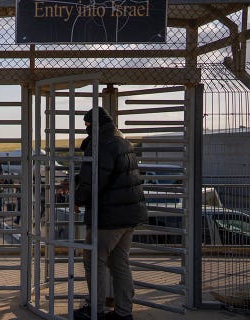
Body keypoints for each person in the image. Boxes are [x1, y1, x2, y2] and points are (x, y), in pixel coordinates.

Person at [73, 107, 148, 320]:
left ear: (93, 125)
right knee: (119, 262)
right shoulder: (123, 141)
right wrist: (77, 182)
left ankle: (95, 310)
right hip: (129, 215)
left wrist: (78, 199)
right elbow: (113, 175)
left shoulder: (101, 145)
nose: (86, 130)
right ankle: (124, 313)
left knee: (93, 260)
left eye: (87, 125)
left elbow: (96, 180)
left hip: (109, 216)